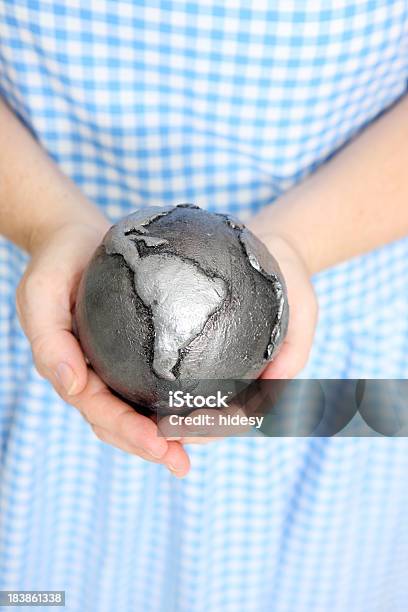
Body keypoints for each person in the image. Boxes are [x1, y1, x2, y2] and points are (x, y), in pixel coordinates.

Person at [1, 2, 408, 611]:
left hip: (339, 342)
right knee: (41, 593)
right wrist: (46, 221)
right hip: (44, 314)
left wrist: (296, 242)